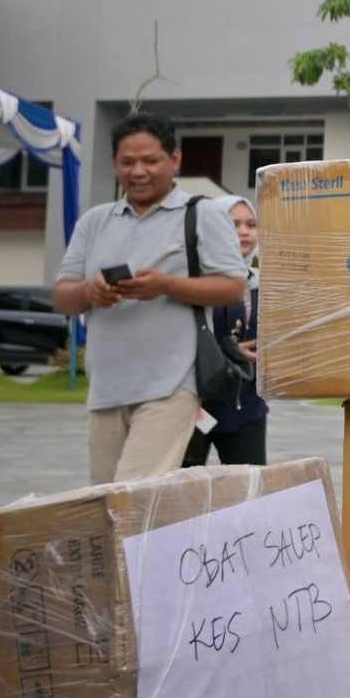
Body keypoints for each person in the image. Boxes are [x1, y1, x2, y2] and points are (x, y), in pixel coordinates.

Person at [52, 112, 248, 484]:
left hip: (171, 385)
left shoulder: (202, 214)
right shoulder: (94, 222)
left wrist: (165, 285)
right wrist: (88, 291)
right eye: (127, 162)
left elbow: (232, 286)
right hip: (106, 387)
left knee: (132, 496)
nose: (138, 171)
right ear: (114, 164)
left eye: (150, 160)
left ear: (175, 159)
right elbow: (63, 297)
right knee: (106, 499)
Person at [182, 195, 268, 466]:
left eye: (251, 224)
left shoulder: (261, 284)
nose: (244, 231)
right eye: (234, 224)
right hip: (197, 406)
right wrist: (227, 351)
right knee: (183, 489)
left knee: (251, 491)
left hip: (247, 407)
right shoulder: (194, 282)